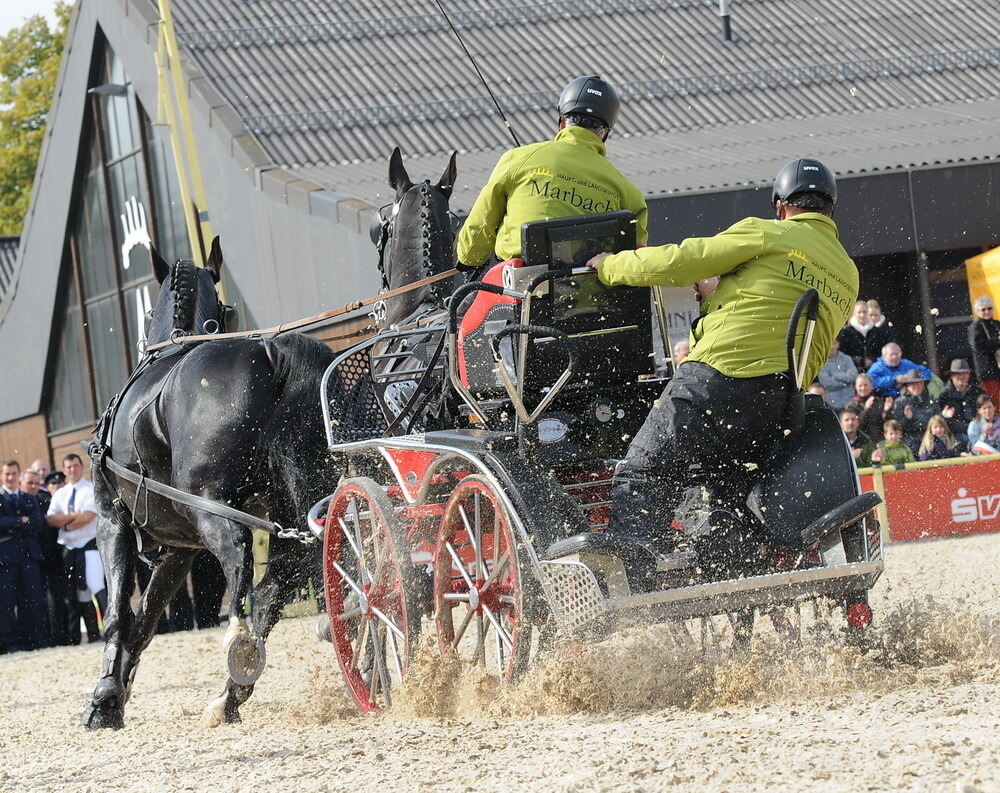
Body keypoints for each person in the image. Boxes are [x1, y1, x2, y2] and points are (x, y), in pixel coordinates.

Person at [586, 157, 857, 573]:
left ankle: (635, 581)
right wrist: (722, 291)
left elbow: (683, 260)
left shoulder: (768, 232)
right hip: (780, 404)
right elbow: (783, 311)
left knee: (641, 473)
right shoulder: (847, 273)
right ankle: (729, 560)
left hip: (718, 379)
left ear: (781, 207)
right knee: (722, 498)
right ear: (832, 210)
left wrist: (610, 266)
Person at [456, 75, 648, 272]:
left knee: (460, 303)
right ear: (605, 134)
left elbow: (480, 227)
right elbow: (633, 259)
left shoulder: (518, 159)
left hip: (516, 285)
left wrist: (468, 259)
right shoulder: (630, 195)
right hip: (589, 292)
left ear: (563, 122)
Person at [46, 454, 106, 643]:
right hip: (69, 549)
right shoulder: (60, 494)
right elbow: (51, 519)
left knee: (97, 586)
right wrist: (71, 519)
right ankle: (93, 634)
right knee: (80, 593)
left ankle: (114, 629)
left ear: (81, 467)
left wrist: (65, 521)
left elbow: (88, 516)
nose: (72, 470)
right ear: (64, 470)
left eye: (75, 466)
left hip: (89, 545)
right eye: (68, 467)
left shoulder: (90, 489)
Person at [0, 461, 48, 653]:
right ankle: (11, 643)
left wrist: (11, 525)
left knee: (32, 599)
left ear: (19, 475)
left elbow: (37, 524)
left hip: (29, 556)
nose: (11, 477)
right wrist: (20, 520)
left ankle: (35, 641)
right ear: (2, 475)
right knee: (7, 601)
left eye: (14, 473)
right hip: (5, 558)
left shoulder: (29, 498)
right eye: (7, 474)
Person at [21, 468, 69, 646]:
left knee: (57, 597)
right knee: (36, 600)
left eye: (36, 483)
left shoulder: (45, 501)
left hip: (52, 556)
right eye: (29, 483)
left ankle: (60, 637)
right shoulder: (18, 502)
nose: (33, 487)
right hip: (30, 558)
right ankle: (41, 638)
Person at [937, 358, 983, 444]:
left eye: (964, 373)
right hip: (955, 437)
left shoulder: (978, 392)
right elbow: (936, 421)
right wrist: (943, 416)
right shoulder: (944, 395)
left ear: (969, 374)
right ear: (951, 376)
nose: (961, 376)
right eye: (957, 374)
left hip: (979, 433)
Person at [892, 369, 937, 453]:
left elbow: (937, 420)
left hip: (931, 436)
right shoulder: (900, 402)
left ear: (923, 384)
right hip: (910, 437)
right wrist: (908, 419)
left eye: (919, 383)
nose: (916, 386)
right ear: (907, 386)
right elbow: (898, 427)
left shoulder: (931, 400)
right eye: (912, 384)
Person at [866, 342, 933, 398]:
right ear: (884, 356)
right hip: (885, 400)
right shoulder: (877, 367)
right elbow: (871, 383)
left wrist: (910, 377)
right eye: (891, 354)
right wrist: (894, 379)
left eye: (897, 354)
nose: (895, 357)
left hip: (908, 398)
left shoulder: (906, 363)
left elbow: (927, 373)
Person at [967, 295, 1000, 406]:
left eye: (989, 308)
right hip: (988, 373)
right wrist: (997, 342)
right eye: (983, 309)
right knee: (993, 402)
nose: (987, 311)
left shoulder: (997, 324)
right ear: (977, 311)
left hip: (997, 369)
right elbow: (978, 347)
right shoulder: (975, 327)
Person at [849, 372, 892, 442]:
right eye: (860, 385)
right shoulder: (852, 404)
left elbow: (885, 423)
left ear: (871, 386)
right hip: (861, 441)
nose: (863, 388)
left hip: (879, 440)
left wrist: (886, 411)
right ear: (856, 387)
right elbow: (856, 425)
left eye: (865, 385)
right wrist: (866, 409)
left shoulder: (878, 401)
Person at [818, 339, 858, 410]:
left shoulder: (847, 359)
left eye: (834, 343)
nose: (831, 347)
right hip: (831, 403)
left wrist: (836, 376)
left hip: (849, 401)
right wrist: (846, 381)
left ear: (838, 344)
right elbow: (826, 383)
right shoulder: (821, 362)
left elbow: (853, 376)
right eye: (829, 344)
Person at [837, 299, 872, 371]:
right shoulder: (846, 332)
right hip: (852, 370)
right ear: (854, 313)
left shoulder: (875, 331)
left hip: (873, 369)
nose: (862, 315)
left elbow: (880, 352)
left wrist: (872, 359)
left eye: (864, 312)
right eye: (859, 312)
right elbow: (842, 354)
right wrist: (861, 361)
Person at [864, 299, 895, 364]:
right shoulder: (859, 329)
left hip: (882, 363)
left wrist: (873, 360)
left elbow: (891, 348)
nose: (873, 318)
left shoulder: (886, 330)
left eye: (876, 315)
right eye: (871, 315)